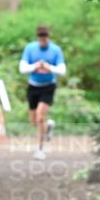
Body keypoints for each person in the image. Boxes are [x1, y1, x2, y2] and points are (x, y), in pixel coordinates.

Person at [18, 25, 66, 160]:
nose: (43, 39)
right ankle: (48, 126)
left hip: (48, 86)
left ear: (48, 37)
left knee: (40, 116)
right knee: (34, 121)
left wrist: (48, 67)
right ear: (37, 37)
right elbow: (22, 68)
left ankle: (40, 149)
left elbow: (62, 70)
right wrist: (36, 66)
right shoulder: (30, 48)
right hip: (33, 86)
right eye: (40, 37)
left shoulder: (56, 50)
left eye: (45, 37)